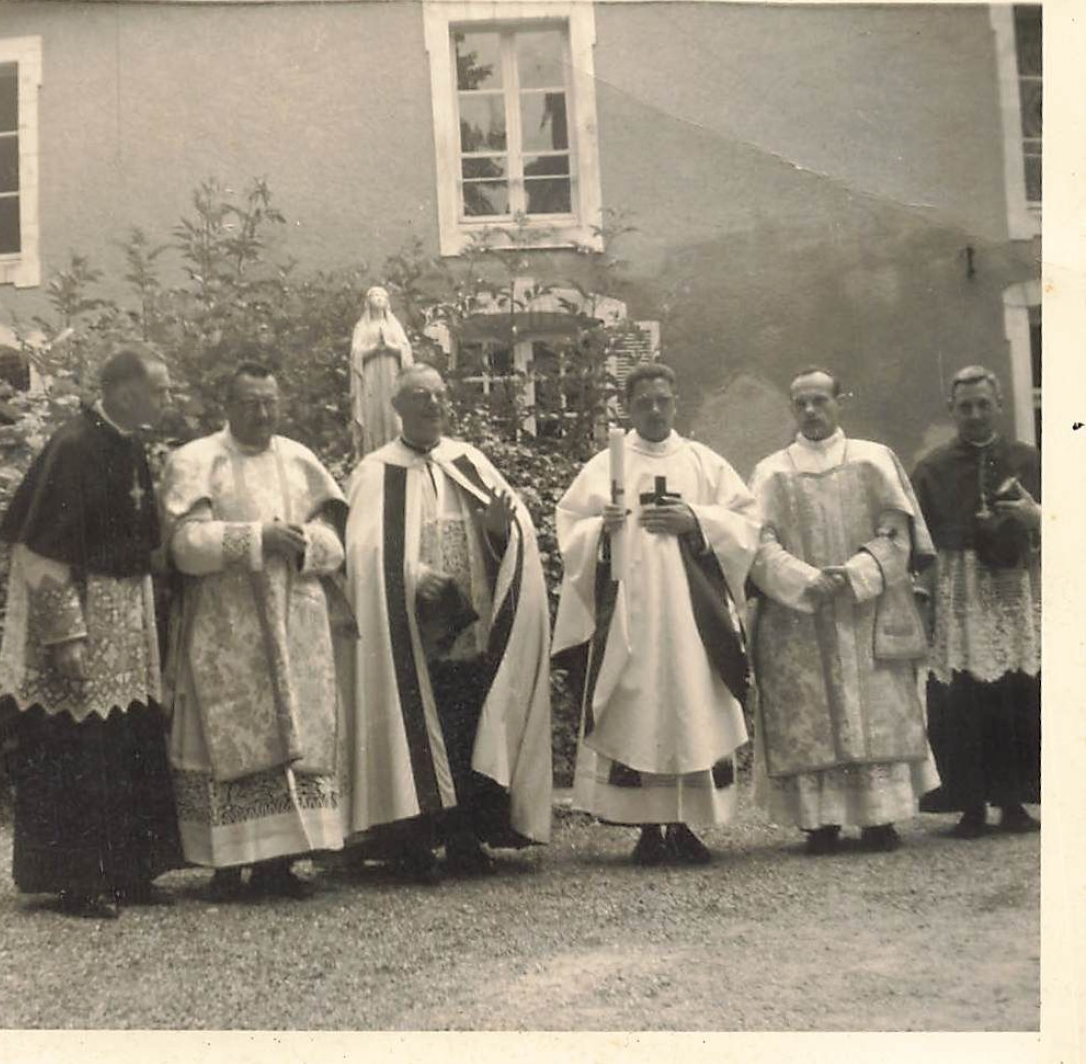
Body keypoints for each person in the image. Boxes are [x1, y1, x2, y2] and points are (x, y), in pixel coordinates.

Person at [342, 364, 552, 881]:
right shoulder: (376, 470)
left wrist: (501, 534)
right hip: (410, 634)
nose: (432, 405)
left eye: (438, 395)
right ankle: (410, 842)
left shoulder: (469, 461)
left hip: (468, 627)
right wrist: (412, 576)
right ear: (397, 407)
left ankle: (464, 838)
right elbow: (364, 551)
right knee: (409, 728)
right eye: (418, 396)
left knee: (465, 729)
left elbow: (511, 538)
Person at [0, 349, 181, 919]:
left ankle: (128, 868)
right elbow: (40, 552)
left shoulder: (126, 443)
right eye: (161, 390)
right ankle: (77, 878)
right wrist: (65, 634)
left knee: (126, 736)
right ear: (125, 391)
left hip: (125, 612)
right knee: (77, 747)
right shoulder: (73, 446)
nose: (167, 400)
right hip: (84, 615)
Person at [553, 362, 758, 866]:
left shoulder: (703, 462)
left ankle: (686, 825)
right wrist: (600, 530)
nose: (654, 409)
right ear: (628, 405)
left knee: (693, 704)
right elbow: (570, 526)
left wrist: (697, 519)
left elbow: (747, 522)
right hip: (631, 613)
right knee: (637, 706)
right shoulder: (607, 465)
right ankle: (646, 826)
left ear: (675, 401)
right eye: (643, 401)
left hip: (693, 616)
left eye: (663, 400)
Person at [159, 362, 348, 900]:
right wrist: (255, 539)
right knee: (223, 741)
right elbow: (184, 548)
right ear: (227, 404)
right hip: (225, 630)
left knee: (296, 740)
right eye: (249, 403)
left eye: (270, 402)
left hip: (294, 626)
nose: (262, 413)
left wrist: (306, 543)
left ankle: (280, 863)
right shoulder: (197, 460)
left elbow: (335, 544)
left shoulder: (300, 460)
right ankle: (225, 866)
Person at [748, 368, 939, 854]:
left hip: (866, 607)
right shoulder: (772, 471)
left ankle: (880, 818)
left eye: (819, 400)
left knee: (875, 705)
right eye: (801, 403)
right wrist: (805, 578)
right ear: (792, 410)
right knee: (810, 711)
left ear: (839, 402)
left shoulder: (875, 460)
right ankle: (820, 822)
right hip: (800, 614)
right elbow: (758, 543)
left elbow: (897, 532)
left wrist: (855, 573)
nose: (811, 411)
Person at [911, 366, 1041, 837]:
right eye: (965, 406)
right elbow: (916, 538)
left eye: (983, 404)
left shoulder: (1027, 459)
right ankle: (969, 805)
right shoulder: (931, 467)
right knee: (961, 695)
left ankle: (1012, 802)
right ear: (952, 411)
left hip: (1012, 589)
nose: (975, 414)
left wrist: (1033, 516)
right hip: (958, 591)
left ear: (999, 406)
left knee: (1015, 693)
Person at [349, 286, 415, 458]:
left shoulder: (393, 326)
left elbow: (405, 350)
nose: (378, 298)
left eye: (381, 296)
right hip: (370, 378)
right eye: (374, 295)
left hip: (392, 375)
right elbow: (355, 354)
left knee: (393, 415)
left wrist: (390, 348)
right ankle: (372, 453)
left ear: (387, 302)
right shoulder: (362, 326)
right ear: (368, 301)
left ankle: (397, 453)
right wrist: (373, 350)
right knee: (373, 415)